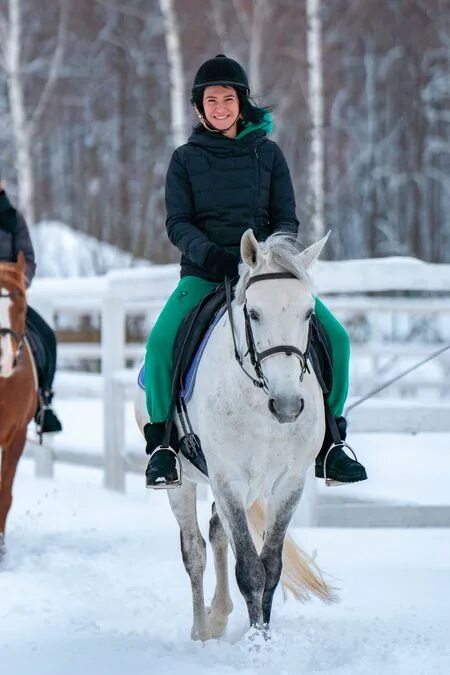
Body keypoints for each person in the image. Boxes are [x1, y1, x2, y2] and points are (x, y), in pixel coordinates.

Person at [144, 54, 366, 488]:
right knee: (159, 344)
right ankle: (163, 446)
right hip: (206, 273)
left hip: (266, 274)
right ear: (198, 107)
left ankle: (332, 443)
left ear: (241, 103)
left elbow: (286, 218)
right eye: (212, 100)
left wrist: (268, 255)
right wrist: (213, 257)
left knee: (336, 339)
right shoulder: (184, 159)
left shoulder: (269, 155)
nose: (221, 108)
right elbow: (178, 224)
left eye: (228, 99)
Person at [0, 180, 62, 433]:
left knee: (46, 335)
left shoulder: (13, 219)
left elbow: (29, 259)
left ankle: (44, 401)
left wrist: (17, 284)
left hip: (8, 296)